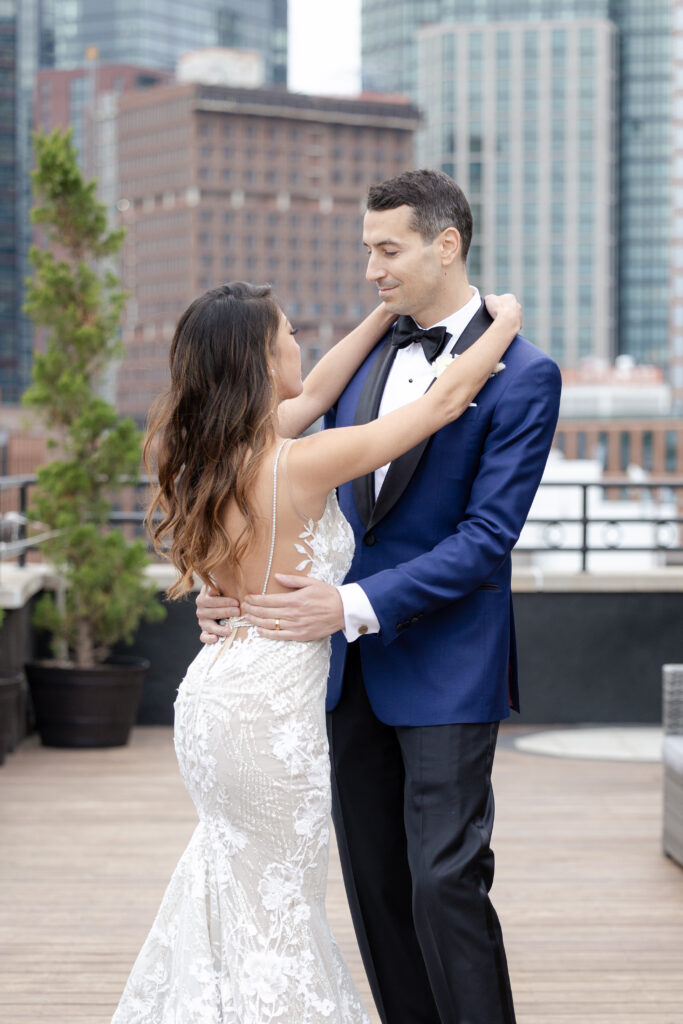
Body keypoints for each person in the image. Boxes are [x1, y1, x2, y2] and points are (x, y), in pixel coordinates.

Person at [197, 169, 562, 1024]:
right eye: (367, 249)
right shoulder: (360, 360)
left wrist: (350, 604)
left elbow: (484, 541)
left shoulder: (523, 377)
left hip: (444, 663)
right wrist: (223, 590)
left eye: (387, 249)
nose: (372, 268)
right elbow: (270, 491)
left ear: (447, 245)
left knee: (443, 881)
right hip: (335, 670)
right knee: (374, 889)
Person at [111, 277, 521, 1024]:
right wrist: (503, 326)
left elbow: (325, 379)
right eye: (290, 334)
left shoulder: (204, 450)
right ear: (263, 363)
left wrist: (386, 311)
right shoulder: (299, 462)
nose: (303, 344)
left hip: (213, 693)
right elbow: (438, 405)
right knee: (282, 910)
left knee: (232, 886)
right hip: (271, 714)